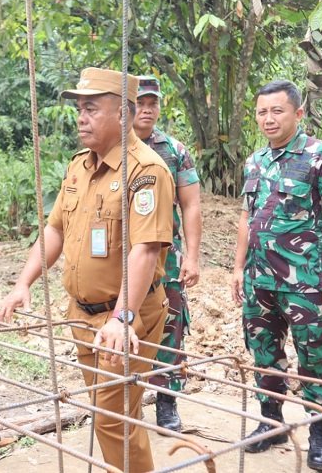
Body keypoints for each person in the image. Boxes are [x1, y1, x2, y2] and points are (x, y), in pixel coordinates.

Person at [0, 67, 175, 472]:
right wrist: (24, 282)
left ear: (123, 114)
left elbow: (146, 250)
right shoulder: (80, 166)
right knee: (112, 412)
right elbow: (55, 229)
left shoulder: (145, 171)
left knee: (113, 418)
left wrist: (122, 318)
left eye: (91, 108)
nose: (81, 118)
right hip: (83, 315)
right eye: (79, 109)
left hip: (125, 317)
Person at [230, 79, 322, 471]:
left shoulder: (321, 157)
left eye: (277, 111)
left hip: (306, 281)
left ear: (298, 113)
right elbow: (246, 217)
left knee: (314, 355)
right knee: (264, 352)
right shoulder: (254, 161)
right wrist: (238, 268)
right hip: (259, 280)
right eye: (262, 112)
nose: (269, 119)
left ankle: (320, 434)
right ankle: (271, 423)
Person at [133, 75, 202, 432]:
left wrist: (192, 256)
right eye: (140, 103)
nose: (147, 110)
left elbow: (191, 205)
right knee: (123, 322)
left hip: (166, 257)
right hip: (121, 256)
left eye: (153, 103)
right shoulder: (112, 146)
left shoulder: (174, 151)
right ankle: (126, 401)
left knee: (170, 324)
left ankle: (166, 400)